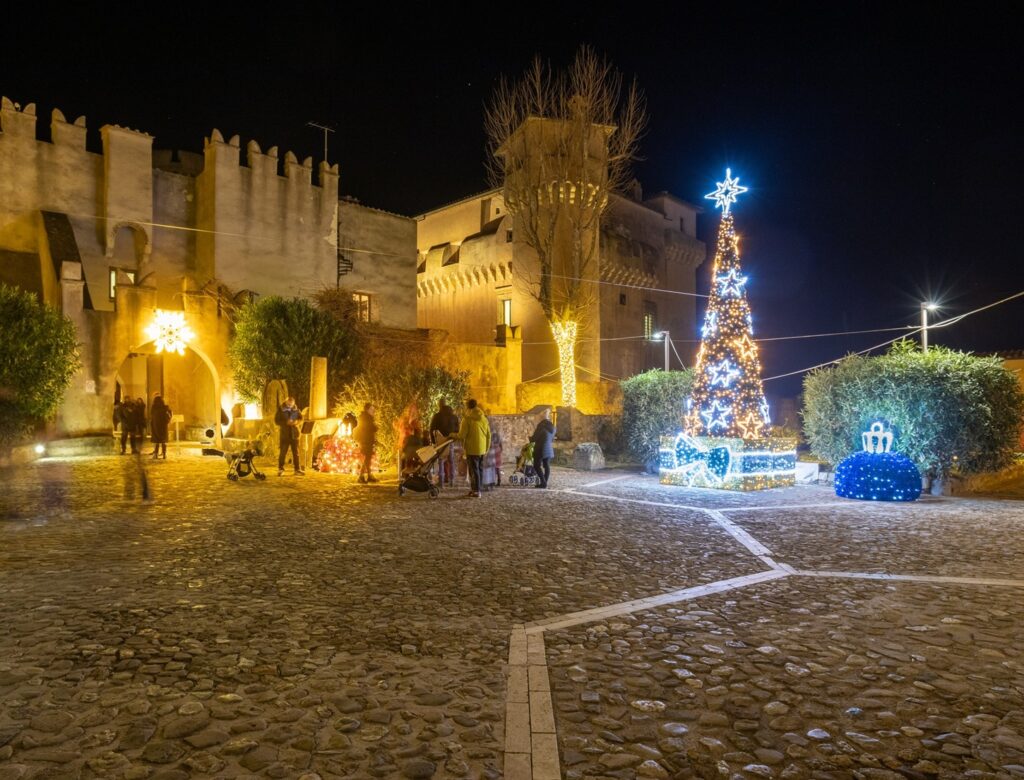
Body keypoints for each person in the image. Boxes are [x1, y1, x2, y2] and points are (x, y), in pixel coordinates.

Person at [456, 399, 490, 498]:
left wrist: (452, 435)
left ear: (467, 407)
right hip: (482, 449)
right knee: (479, 469)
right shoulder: (484, 418)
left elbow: (461, 435)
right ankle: (476, 489)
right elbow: (489, 434)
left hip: (472, 448)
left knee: (473, 470)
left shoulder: (467, 419)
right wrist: (486, 448)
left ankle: (476, 491)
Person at [429, 399, 459, 487]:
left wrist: (433, 442)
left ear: (439, 405)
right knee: (451, 460)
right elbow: (458, 430)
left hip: (440, 441)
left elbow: (431, 429)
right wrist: (454, 438)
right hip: (450, 441)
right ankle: (452, 481)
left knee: (441, 460)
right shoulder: (454, 417)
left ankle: (441, 482)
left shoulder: (437, 416)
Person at [275, 396, 304, 476]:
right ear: (286, 402)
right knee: (283, 452)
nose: (290, 405)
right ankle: (281, 469)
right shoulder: (281, 410)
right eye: (288, 404)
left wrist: (296, 422)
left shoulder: (296, 410)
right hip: (285, 435)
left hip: (295, 435)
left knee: (296, 453)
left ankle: (297, 469)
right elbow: (277, 421)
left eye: (291, 404)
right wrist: (285, 423)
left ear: (293, 403)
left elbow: (301, 419)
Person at [531, 408, 555, 489]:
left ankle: (543, 482)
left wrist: (530, 438)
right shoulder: (552, 427)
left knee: (536, 465)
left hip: (540, 448)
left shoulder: (541, 426)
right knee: (546, 465)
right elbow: (551, 438)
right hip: (548, 448)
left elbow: (534, 438)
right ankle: (544, 482)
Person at [355, 402, 378, 483]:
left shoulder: (366, 417)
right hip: (365, 441)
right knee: (367, 458)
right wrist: (375, 427)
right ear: (367, 410)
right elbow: (370, 428)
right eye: (372, 409)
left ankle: (369, 475)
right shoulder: (366, 418)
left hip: (367, 440)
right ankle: (361, 476)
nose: (373, 411)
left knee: (368, 458)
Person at [149, 393, 172, 459]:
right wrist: (167, 422)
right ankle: (164, 454)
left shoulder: (154, 408)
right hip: (163, 426)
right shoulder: (165, 408)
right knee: (163, 441)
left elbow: (152, 417)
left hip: (156, 426)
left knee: (156, 441)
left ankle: (155, 454)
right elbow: (169, 416)